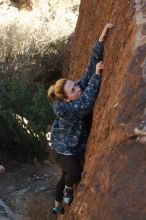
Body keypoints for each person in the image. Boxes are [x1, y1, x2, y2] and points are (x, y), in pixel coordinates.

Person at [48, 23, 113, 215]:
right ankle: (62, 198)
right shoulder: (67, 110)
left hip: (74, 143)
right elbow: (86, 103)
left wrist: (100, 42)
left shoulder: (72, 93)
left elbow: (86, 72)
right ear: (67, 99)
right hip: (63, 149)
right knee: (73, 174)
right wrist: (97, 76)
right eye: (73, 89)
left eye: (74, 84)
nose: (77, 87)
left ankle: (58, 202)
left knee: (67, 173)